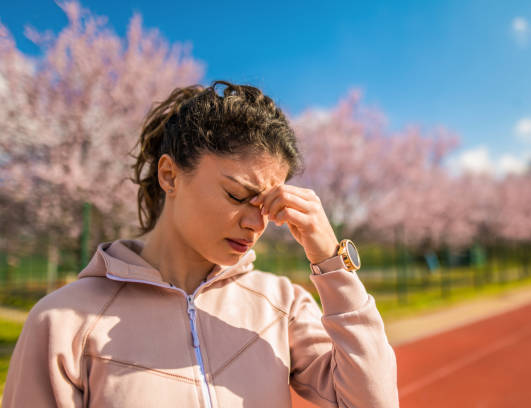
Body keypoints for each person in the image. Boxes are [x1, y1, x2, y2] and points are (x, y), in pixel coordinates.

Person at [2, 81, 399, 407]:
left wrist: (331, 260)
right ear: (170, 175)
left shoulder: (282, 305)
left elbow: (372, 402)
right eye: (237, 196)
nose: (255, 223)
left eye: (265, 206)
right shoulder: (61, 321)